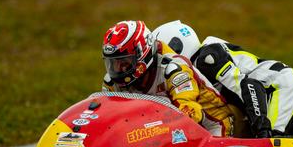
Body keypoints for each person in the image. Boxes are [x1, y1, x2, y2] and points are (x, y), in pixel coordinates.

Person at [152, 20, 293, 138]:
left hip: (281, 87)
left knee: (274, 145)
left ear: (176, 46)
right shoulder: (200, 65)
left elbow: (249, 87)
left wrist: (262, 131)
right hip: (280, 89)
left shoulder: (207, 59)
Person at [101, 20, 239, 137]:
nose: (118, 70)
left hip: (212, 125)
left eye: (125, 62)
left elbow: (190, 113)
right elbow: (107, 119)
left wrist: (147, 130)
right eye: (112, 63)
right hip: (162, 130)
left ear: (143, 53)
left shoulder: (174, 70)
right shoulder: (111, 82)